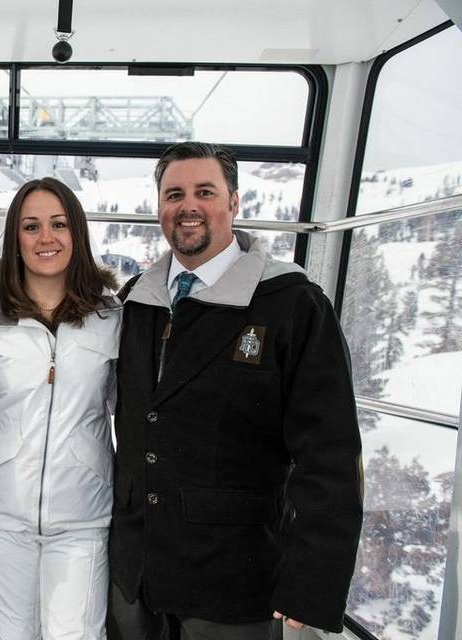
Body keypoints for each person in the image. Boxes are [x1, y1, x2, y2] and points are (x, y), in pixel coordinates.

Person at [107, 142, 363, 640]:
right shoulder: (138, 300)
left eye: (205, 191)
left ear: (234, 202)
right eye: (174, 193)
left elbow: (329, 453)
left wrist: (312, 580)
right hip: (136, 568)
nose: (188, 206)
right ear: (159, 207)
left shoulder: (291, 305)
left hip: (231, 575)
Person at [0, 177, 121, 640]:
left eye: (58, 224)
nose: (46, 238)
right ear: (15, 238)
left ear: (77, 233)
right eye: (31, 226)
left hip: (83, 517)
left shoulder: (110, 316)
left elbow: (128, 420)